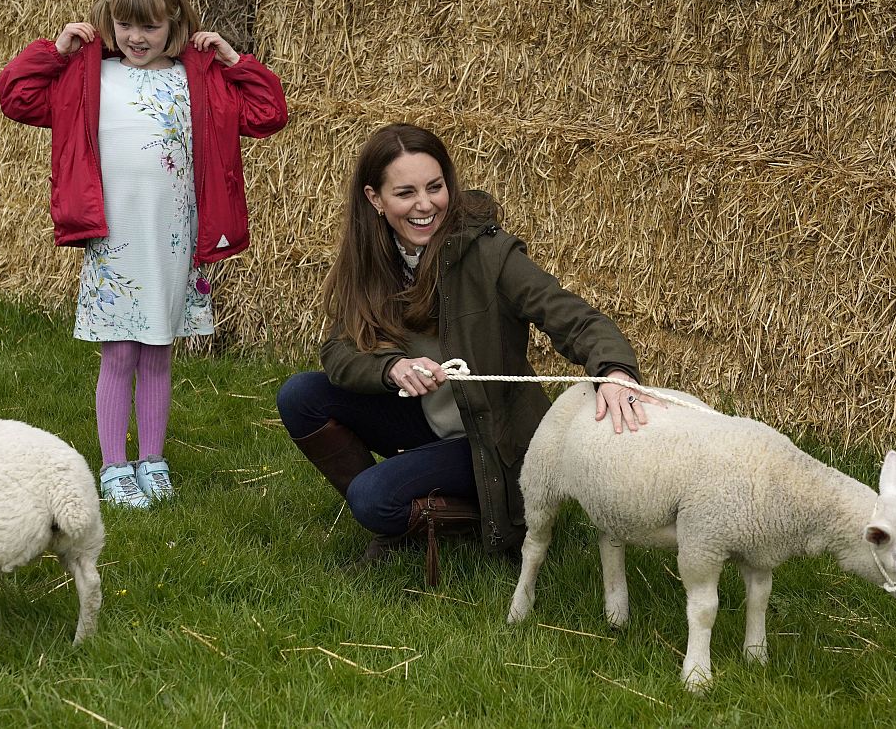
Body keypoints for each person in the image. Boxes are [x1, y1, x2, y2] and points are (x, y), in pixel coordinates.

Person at [277, 123, 658, 567]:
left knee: (372, 499)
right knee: (300, 395)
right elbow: (338, 352)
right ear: (375, 199)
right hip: (425, 414)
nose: (425, 205)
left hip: (490, 433)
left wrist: (614, 371)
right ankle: (405, 515)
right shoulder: (370, 258)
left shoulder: (490, 254)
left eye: (435, 187)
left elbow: (574, 317)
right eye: (405, 193)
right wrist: (391, 367)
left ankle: (475, 511)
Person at [0, 0, 288, 508]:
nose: (136, 37)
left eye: (150, 26)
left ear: (175, 22)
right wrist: (54, 53)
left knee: (158, 351)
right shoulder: (87, 78)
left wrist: (234, 60)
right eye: (125, 24)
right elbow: (15, 96)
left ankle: (151, 460)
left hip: (176, 239)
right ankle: (113, 466)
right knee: (119, 353)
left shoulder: (195, 78)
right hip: (114, 238)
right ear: (108, 21)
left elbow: (270, 114)